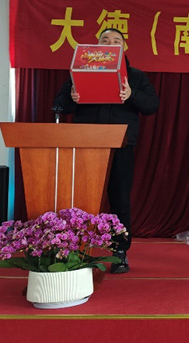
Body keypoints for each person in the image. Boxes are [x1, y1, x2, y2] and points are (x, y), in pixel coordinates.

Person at [53, 28, 159, 273]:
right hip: (86, 144)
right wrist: (71, 98)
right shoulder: (80, 72)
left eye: (116, 41)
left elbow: (152, 105)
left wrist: (132, 94)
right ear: (97, 45)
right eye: (105, 40)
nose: (110, 44)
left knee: (120, 198)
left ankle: (119, 251)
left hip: (120, 144)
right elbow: (58, 105)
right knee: (82, 199)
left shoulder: (135, 76)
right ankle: (76, 249)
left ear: (123, 47)